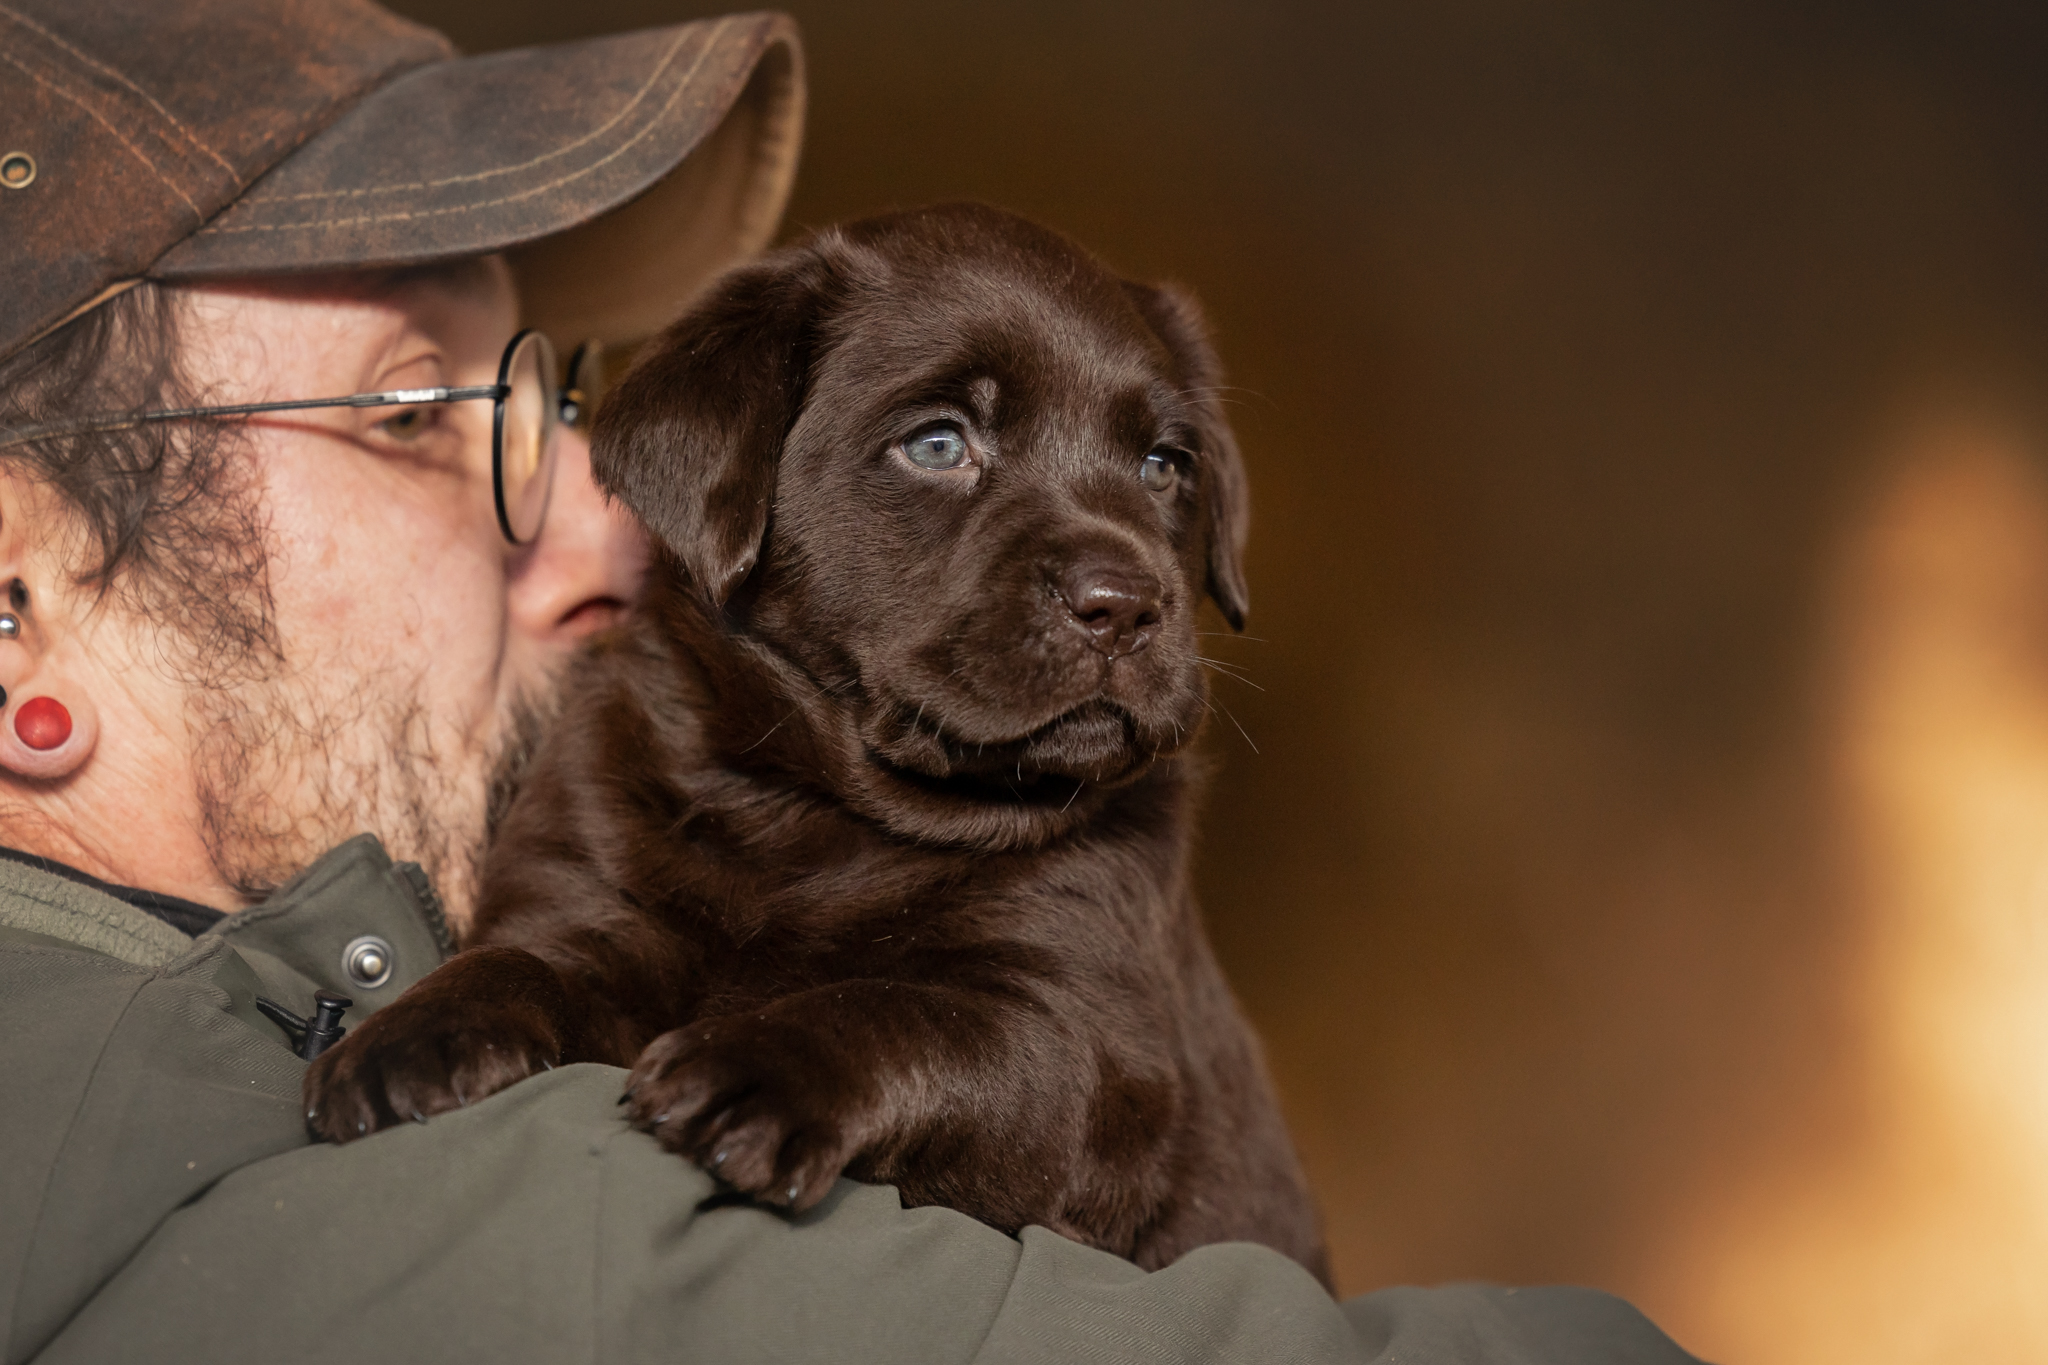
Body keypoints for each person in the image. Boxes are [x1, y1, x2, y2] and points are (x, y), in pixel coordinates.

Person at [0, 1, 1701, 1360]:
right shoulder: (472, 1250)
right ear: (14, 603)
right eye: (405, 413)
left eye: (556, 401)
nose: (604, 510)